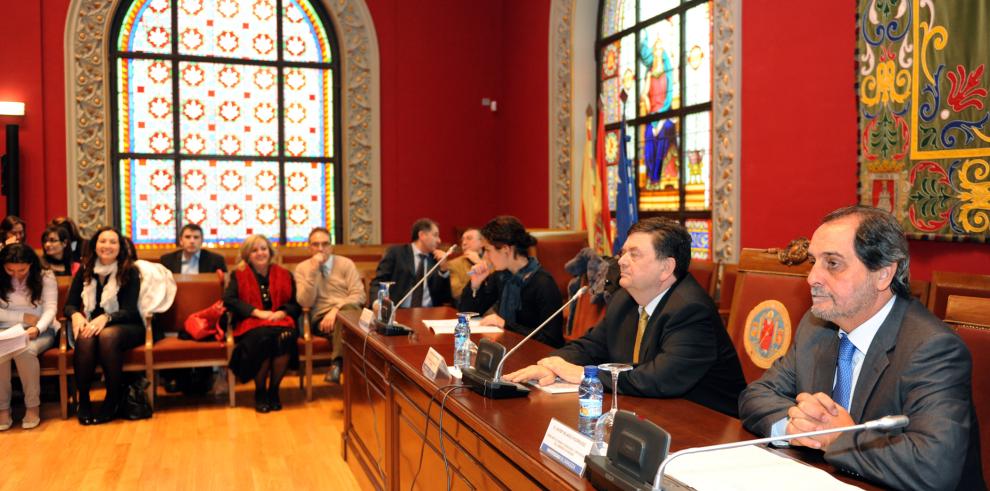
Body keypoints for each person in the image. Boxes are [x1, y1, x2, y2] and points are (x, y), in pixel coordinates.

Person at [738, 205, 984, 490]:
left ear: (882, 274)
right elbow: (756, 395)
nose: (812, 278)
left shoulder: (932, 348)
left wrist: (835, 436)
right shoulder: (816, 327)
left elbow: (933, 466)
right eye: (813, 261)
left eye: (832, 264)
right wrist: (794, 427)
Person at [505, 217, 745, 417]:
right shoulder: (624, 298)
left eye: (634, 254)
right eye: (623, 253)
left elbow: (659, 377)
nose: (621, 261)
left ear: (666, 268)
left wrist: (583, 375)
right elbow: (590, 346)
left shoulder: (691, 310)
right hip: (648, 412)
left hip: (707, 425)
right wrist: (551, 365)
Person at [64, 226, 144, 425]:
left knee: (108, 336)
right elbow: (70, 304)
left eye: (113, 242)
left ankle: (112, 400)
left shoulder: (129, 270)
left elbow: (130, 311)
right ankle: (84, 401)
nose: (107, 246)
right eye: (103, 241)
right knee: (84, 337)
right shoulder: (85, 269)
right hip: (96, 325)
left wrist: (106, 318)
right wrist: (75, 315)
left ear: (120, 247)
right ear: (94, 245)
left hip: (128, 325)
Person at [458, 216, 565, 348]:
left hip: (535, 357)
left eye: (488, 250)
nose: (485, 256)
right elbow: (467, 315)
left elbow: (551, 340)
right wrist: (475, 284)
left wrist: (505, 325)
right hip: (506, 350)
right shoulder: (502, 276)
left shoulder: (543, 284)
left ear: (505, 250)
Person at [224, 234, 301, 413]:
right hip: (251, 323)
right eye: (255, 250)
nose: (260, 253)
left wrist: (282, 312)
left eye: (264, 249)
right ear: (247, 255)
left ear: (270, 251)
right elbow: (229, 300)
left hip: (280, 321)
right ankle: (260, 392)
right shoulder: (239, 274)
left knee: (286, 336)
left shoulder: (284, 273)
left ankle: (274, 390)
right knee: (263, 338)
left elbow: (295, 303)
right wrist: (257, 312)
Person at [294, 227, 366, 383]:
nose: (321, 249)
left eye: (325, 244)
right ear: (309, 248)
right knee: (355, 334)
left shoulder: (346, 264)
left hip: (348, 314)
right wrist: (312, 271)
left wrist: (336, 310)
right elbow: (305, 302)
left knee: (347, 318)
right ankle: (361, 382)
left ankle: (336, 365)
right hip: (321, 319)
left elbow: (359, 295)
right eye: (315, 244)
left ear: (331, 246)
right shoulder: (302, 269)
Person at [0, 245, 59, 430]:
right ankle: (3, 409)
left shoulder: (46, 276)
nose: (16, 274)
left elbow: (50, 308)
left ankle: (32, 406)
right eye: (10, 270)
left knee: (25, 351)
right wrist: (21, 318)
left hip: (41, 328)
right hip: (6, 329)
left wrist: (38, 328)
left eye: (22, 270)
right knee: (1, 352)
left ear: (31, 265)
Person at [370, 218, 451, 307]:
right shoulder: (396, 253)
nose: (439, 240)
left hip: (429, 313)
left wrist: (444, 270)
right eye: (435, 235)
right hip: (399, 311)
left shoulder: (437, 260)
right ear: (422, 235)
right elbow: (378, 282)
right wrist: (377, 303)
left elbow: (445, 298)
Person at [159, 223, 228, 274]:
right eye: (188, 237)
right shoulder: (167, 260)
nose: (192, 241)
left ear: (202, 241)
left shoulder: (216, 260)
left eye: (196, 237)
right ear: (181, 240)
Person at [447, 228, 483, 302]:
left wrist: (479, 263)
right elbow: (456, 293)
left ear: (482, 242)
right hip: (468, 306)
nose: (464, 243)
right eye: (462, 240)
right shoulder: (454, 264)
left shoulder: (492, 260)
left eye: (469, 239)